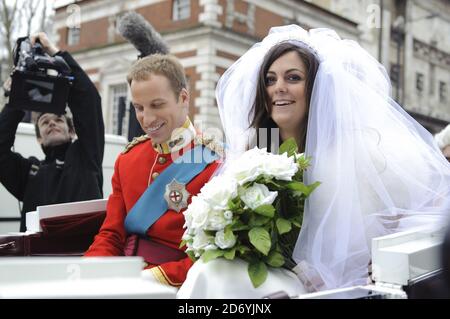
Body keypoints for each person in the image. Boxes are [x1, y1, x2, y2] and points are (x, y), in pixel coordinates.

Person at [178, 25, 450, 298]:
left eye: (293, 78)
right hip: (265, 275)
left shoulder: (356, 153)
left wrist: (371, 262)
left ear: (317, 87)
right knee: (211, 271)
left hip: (331, 287)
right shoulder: (253, 150)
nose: (279, 88)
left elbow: (419, 213)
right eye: (270, 80)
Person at [85, 54, 221, 287]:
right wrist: (87, 274)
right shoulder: (127, 160)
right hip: (122, 278)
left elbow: (212, 256)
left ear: (183, 98)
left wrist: (146, 279)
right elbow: (111, 235)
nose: (147, 119)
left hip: (177, 287)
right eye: (139, 108)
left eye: (157, 105)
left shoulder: (216, 163)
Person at [0, 32, 104, 232]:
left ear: (72, 131)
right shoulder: (29, 172)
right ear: (39, 138)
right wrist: (17, 100)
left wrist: (58, 54)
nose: (52, 124)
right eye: (45, 122)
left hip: (83, 257)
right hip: (38, 260)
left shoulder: (87, 156)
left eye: (58, 119)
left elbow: (89, 103)